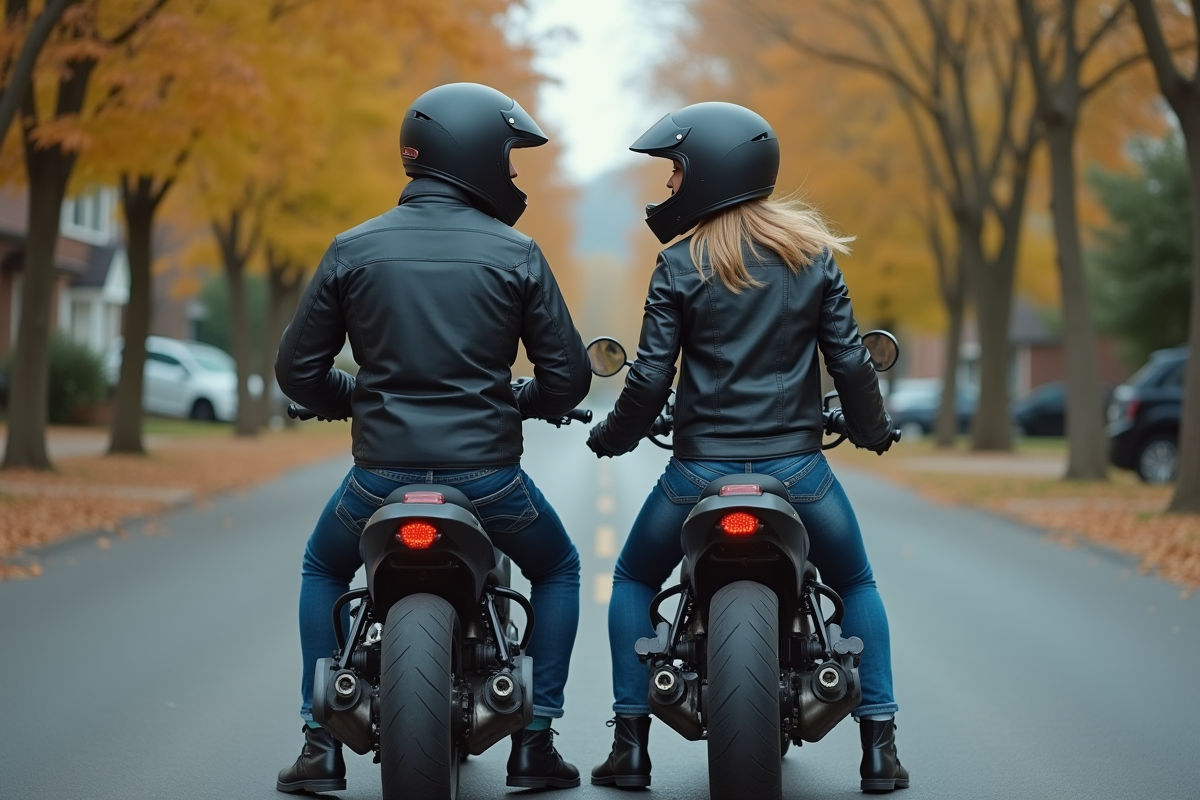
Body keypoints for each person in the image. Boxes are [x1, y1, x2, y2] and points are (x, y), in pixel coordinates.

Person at [274, 82, 589, 794]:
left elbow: (298, 371)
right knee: (560, 568)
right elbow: (566, 381)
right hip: (487, 481)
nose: (513, 175)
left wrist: (349, 399)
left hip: (377, 479)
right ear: (474, 155)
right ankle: (535, 742)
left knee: (324, 570)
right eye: (508, 158)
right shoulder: (519, 255)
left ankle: (318, 744)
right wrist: (522, 402)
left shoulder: (351, 248)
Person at [586, 102, 909, 794]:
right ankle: (879, 748)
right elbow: (851, 364)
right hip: (800, 473)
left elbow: (649, 375)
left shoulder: (678, 266)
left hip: (698, 472)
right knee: (855, 584)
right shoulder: (811, 258)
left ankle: (630, 745)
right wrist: (874, 432)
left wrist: (614, 438)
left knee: (636, 581)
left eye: (675, 171)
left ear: (709, 174)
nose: (669, 186)